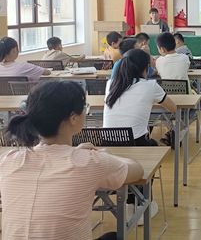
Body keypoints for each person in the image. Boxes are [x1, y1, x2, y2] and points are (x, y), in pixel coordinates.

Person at [0, 81, 143, 240]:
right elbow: (137, 170)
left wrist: (74, 152)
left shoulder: (9, 160)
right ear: (73, 118)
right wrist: (106, 155)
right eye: (84, 107)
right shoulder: (89, 162)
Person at [104, 48, 177, 145]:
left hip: (107, 142)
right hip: (135, 143)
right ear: (146, 68)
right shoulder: (151, 85)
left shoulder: (110, 83)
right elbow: (173, 108)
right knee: (155, 144)